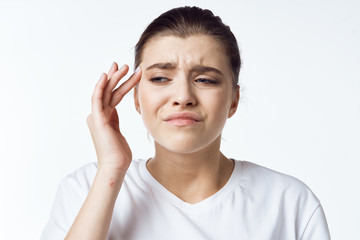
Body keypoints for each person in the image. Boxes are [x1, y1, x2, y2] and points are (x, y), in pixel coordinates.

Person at [41, 6, 331, 240]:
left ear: (233, 100)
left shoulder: (290, 203)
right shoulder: (86, 189)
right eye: (160, 78)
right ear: (137, 99)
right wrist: (111, 170)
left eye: (204, 79)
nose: (183, 96)